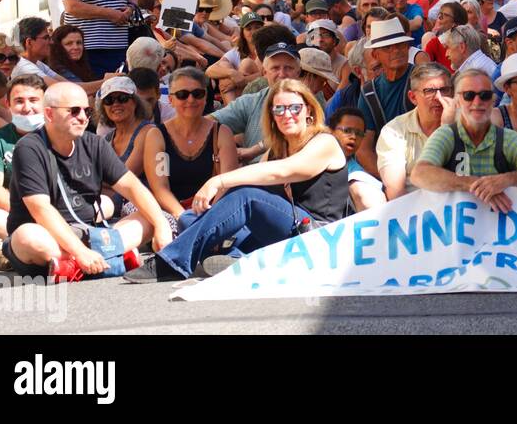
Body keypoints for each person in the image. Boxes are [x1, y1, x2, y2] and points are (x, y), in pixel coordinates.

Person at [126, 79, 349, 282]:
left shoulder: (324, 142)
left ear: (308, 109)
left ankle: (172, 262)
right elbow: (258, 175)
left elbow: (281, 171)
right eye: (279, 109)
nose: (286, 114)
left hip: (318, 235)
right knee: (190, 220)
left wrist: (218, 181)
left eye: (294, 107)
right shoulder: (278, 149)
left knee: (246, 196)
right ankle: (237, 259)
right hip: (286, 230)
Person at [3, 82, 171, 280]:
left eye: (86, 111)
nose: (83, 118)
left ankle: (72, 267)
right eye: (74, 111)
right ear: (49, 114)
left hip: (91, 233)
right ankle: (110, 259)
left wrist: (162, 225)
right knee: (27, 237)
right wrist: (80, 252)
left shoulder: (94, 143)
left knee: (147, 219)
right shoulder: (29, 148)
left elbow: (132, 187)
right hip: (49, 234)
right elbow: (40, 209)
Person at [409, 69, 517, 212]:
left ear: (493, 101)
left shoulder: (507, 138)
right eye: (469, 95)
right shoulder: (447, 135)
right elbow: (420, 173)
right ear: (457, 101)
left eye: (485, 95)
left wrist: (506, 180)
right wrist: (476, 185)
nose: (477, 102)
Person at [140, 66, 237, 222]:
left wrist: (209, 218)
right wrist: (184, 217)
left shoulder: (221, 133)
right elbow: (160, 187)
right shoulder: (158, 136)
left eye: (197, 94)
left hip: (213, 212)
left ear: (206, 98)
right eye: (182, 95)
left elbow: (226, 183)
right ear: (171, 100)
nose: (190, 100)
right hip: (171, 214)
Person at [211, 27, 301, 162]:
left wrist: (253, 150)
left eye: (288, 68)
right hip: (251, 177)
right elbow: (210, 124)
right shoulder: (251, 101)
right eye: (275, 68)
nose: (282, 74)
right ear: (265, 72)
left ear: (298, 72)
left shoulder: (309, 102)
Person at [0, 75, 47, 238]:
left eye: (34, 100)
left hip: (62, 211)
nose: (27, 107)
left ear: (46, 104)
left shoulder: (59, 134)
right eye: (19, 101)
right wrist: (36, 214)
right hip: (20, 214)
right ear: (8, 104)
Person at [375, 63, 450, 198]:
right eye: (429, 91)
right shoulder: (394, 131)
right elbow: (395, 190)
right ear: (413, 97)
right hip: (414, 211)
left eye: (444, 90)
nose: (439, 97)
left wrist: (449, 129)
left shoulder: (465, 126)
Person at [354, 19, 417, 175]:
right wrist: (389, 180)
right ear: (376, 54)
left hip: (423, 162)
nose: (396, 51)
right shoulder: (369, 91)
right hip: (387, 167)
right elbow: (363, 149)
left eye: (400, 45)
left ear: (408, 48)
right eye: (388, 48)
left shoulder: (423, 80)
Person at [96, 77, 152, 182]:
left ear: (135, 102)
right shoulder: (106, 140)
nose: (116, 104)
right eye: (109, 100)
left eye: (122, 98)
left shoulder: (148, 132)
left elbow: (125, 178)